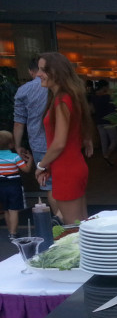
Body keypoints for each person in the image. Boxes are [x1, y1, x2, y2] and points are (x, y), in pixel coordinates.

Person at [34, 52, 95, 225]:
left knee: (74, 228)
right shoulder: (67, 97)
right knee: (82, 225)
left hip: (67, 169)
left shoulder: (62, 100)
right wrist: (48, 166)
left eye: (43, 70)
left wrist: (41, 165)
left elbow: (59, 143)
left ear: (56, 71)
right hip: (70, 166)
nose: (38, 74)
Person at [13, 56, 58, 216]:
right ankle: (68, 221)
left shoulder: (23, 90)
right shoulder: (58, 86)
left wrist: (17, 145)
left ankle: (61, 221)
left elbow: (19, 123)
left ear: (30, 71)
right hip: (60, 142)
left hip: (39, 144)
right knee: (65, 182)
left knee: (50, 186)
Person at [0, 130, 33, 240]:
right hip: (13, 186)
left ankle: (10, 231)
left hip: (1, 186)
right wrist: (30, 160)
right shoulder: (14, 157)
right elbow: (26, 169)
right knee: (13, 210)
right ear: (11, 144)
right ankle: (13, 233)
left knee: (6, 209)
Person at [90, 79, 117, 165]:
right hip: (109, 121)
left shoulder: (93, 97)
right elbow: (114, 109)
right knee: (114, 141)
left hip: (99, 122)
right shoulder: (108, 97)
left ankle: (106, 158)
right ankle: (107, 155)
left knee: (104, 142)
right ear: (104, 87)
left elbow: (93, 110)